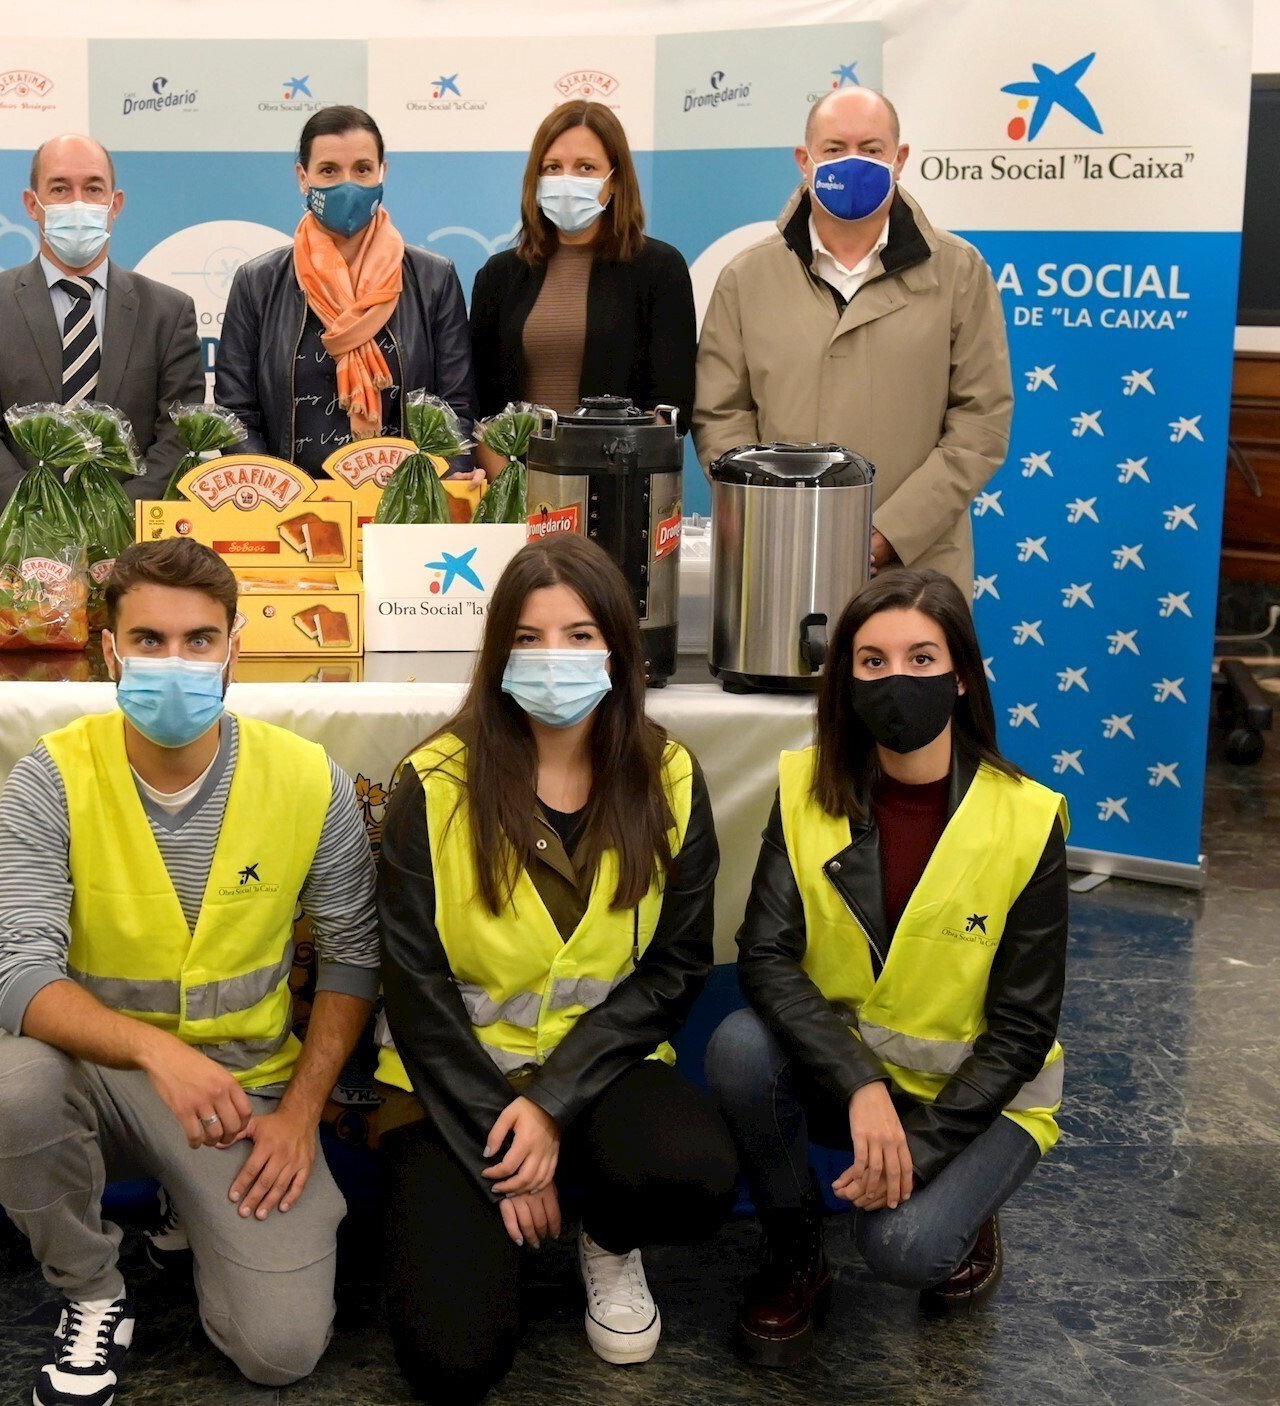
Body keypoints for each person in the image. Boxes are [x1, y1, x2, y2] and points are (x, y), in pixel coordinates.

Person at [0, 537, 378, 1406]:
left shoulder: (309, 779)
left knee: (280, 1351)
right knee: (14, 1089)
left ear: (234, 650)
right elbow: (11, 970)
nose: (176, 661)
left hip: (246, 1090)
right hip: (99, 1077)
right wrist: (158, 1053)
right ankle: (92, 1292)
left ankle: (186, 1203)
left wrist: (301, 1113)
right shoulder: (53, 775)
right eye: (149, 640)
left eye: (199, 640)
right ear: (109, 651)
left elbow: (353, 957)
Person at [376, 533, 737, 1403]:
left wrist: (549, 1105)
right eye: (528, 638)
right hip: (447, 1089)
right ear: (498, 655)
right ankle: (504, 1209)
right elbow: (416, 991)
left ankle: (607, 1238)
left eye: (579, 636)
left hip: (600, 1074)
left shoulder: (669, 776)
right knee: (453, 1363)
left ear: (618, 647)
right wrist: (501, 1147)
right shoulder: (433, 783)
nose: (554, 658)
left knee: (694, 1175)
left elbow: (677, 967)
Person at [705, 568, 1067, 1367]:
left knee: (903, 1248)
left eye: (921, 658)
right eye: (872, 662)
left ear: (962, 676)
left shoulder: (1027, 819)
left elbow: (1023, 1029)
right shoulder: (806, 790)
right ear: (846, 679)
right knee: (738, 1048)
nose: (896, 680)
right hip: (855, 1081)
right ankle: (795, 1247)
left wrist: (924, 1150)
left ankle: (966, 1201)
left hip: (979, 1097)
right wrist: (861, 1084)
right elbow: (765, 954)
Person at [692, 86, 1012, 590]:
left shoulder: (959, 272)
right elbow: (720, 415)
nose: (853, 162)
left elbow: (981, 423)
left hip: (915, 569)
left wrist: (890, 532)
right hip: (780, 560)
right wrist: (776, 515)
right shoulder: (746, 277)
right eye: (835, 148)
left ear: (900, 159)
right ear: (805, 160)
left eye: (872, 149)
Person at [0, 132, 204, 616]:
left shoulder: (168, 311)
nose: (78, 203)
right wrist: (43, 519)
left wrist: (111, 520)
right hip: (10, 554)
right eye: (60, 189)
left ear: (115, 203)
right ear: (33, 203)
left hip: (137, 560)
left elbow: (178, 433)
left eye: (93, 188)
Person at [217, 105, 476, 474]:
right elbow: (236, 413)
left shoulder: (434, 278)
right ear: (303, 177)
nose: (348, 185)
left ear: (382, 172)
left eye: (362, 169)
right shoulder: (257, 283)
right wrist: (270, 491)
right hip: (290, 501)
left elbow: (456, 407)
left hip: (408, 502)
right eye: (329, 170)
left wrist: (443, 485)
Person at [469, 101, 695, 459]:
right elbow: (480, 406)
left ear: (615, 179)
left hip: (621, 477)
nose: (566, 180)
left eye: (586, 167)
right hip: (515, 482)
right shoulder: (499, 275)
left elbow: (670, 405)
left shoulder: (659, 269)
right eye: (553, 167)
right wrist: (508, 480)